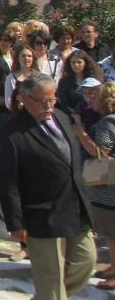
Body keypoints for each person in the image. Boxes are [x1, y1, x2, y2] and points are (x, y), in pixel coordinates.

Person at [0, 73, 95, 300]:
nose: (49, 105)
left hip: (74, 207)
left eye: (52, 99)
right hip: (42, 214)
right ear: (24, 98)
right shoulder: (13, 132)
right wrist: (15, 222)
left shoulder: (60, 116)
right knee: (51, 278)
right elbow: (7, 181)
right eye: (43, 101)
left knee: (86, 261)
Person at [71, 82, 115, 291]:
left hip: (109, 188)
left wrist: (81, 134)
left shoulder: (107, 122)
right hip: (109, 189)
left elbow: (101, 153)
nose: (92, 101)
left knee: (113, 233)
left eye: (96, 97)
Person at [57, 50, 104, 119]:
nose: (76, 65)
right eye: (73, 62)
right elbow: (64, 105)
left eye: (79, 62)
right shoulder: (63, 82)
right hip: (74, 119)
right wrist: (76, 115)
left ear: (85, 63)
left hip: (96, 117)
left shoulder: (95, 80)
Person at [0, 31, 16, 131]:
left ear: (12, 42)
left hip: (15, 95)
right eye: (0, 39)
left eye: (6, 40)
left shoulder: (15, 55)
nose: (2, 42)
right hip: (1, 98)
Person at [5, 43, 39, 111]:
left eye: (29, 56)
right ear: (18, 58)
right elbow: (8, 103)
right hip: (19, 114)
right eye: (23, 56)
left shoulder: (39, 76)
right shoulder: (10, 78)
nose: (26, 58)